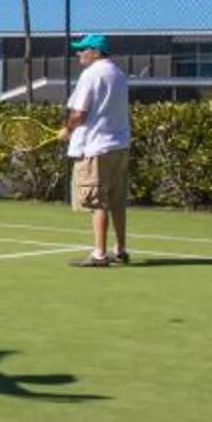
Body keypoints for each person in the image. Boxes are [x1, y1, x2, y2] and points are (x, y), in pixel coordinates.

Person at [61, 33, 130, 266]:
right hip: (119, 147)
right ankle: (120, 250)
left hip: (96, 147)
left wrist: (67, 130)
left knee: (97, 202)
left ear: (96, 52)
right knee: (117, 201)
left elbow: (79, 113)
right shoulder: (119, 75)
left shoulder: (90, 75)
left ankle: (99, 254)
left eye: (83, 49)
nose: (79, 53)